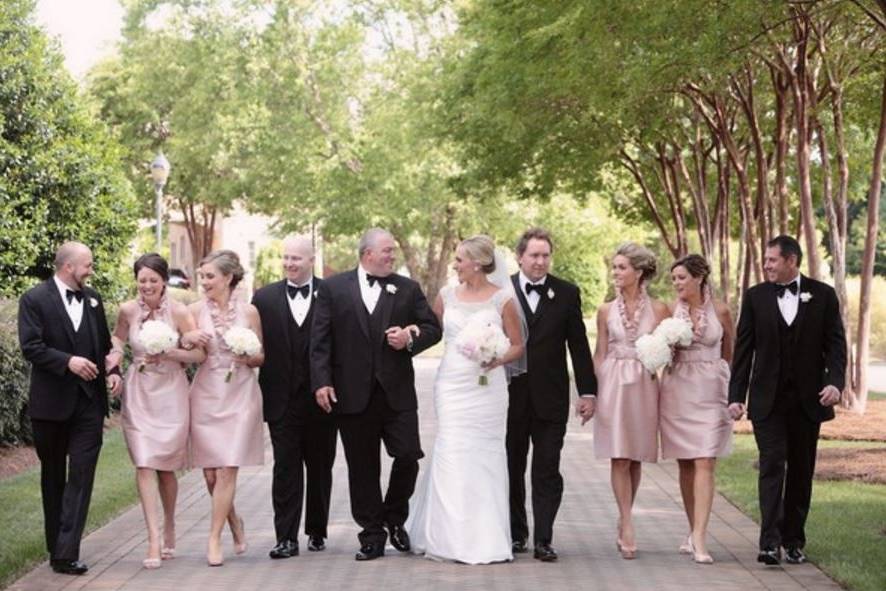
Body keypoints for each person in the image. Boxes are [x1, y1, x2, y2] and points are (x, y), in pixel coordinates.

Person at [311, 228, 441, 561]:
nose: (392, 256)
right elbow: (320, 339)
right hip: (351, 395)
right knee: (362, 468)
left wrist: (409, 339)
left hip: (396, 394)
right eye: (387, 251)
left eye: (393, 251)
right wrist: (321, 382)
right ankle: (371, 535)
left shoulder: (407, 288)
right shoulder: (332, 288)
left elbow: (432, 328)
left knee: (409, 455)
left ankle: (394, 517)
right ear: (367, 253)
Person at [406, 235, 525, 564]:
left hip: (487, 387)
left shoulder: (502, 299)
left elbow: (518, 345)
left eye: (459, 260)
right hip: (452, 385)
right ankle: (447, 538)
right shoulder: (446, 295)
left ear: (477, 262)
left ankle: (485, 537)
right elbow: (431, 330)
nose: (454, 265)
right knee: (452, 451)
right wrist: (408, 337)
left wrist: (497, 357)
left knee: (485, 456)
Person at [728, 235, 846, 566]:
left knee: (801, 471)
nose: (766, 265)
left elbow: (836, 345)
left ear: (791, 260)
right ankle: (769, 543)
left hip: (809, 401)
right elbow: (743, 351)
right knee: (772, 466)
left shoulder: (822, 295)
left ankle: (794, 540)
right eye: (766, 260)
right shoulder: (755, 297)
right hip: (768, 401)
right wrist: (736, 396)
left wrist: (835, 383)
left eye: (772, 260)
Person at [17, 241, 123, 575]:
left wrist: (114, 371)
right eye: (87, 265)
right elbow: (31, 347)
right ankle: (55, 544)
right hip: (50, 406)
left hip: (89, 406)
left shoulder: (93, 300)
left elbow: (105, 345)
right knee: (53, 477)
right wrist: (69, 362)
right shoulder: (34, 300)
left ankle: (65, 552)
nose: (90, 270)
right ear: (68, 267)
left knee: (81, 474)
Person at [107, 254, 204, 569]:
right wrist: (115, 359)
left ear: (164, 281)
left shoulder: (179, 311)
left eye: (152, 280)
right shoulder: (127, 310)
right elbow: (118, 339)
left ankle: (171, 523)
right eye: (142, 279)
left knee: (165, 468)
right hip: (139, 390)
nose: (146, 285)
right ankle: (152, 537)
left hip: (171, 393)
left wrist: (170, 351)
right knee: (145, 464)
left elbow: (200, 354)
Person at [506, 228, 597, 562]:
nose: (540, 262)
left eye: (545, 255)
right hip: (509, 399)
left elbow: (579, 346)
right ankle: (517, 535)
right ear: (520, 256)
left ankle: (544, 538)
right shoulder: (502, 291)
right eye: (534, 255)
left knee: (547, 469)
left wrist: (587, 392)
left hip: (551, 399)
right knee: (511, 467)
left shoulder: (567, 293)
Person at [252, 235, 337, 559]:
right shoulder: (264, 297)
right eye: (286, 258)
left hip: (322, 397)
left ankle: (317, 529)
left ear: (310, 260)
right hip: (281, 398)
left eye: (296, 259)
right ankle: (285, 537)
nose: (289, 263)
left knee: (320, 467)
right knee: (285, 468)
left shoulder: (330, 294)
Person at [185, 250, 265, 566]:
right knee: (209, 475)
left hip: (241, 393)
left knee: (228, 467)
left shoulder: (251, 312)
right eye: (202, 276)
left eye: (209, 276)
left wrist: (247, 355)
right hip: (205, 393)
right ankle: (233, 521)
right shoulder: (191, 310)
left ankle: (213, 538)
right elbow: (189, 351)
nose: (203, 282)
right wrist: (188, 337)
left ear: (228, 278)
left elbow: (261, 357)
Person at [592, 242, 668, 559]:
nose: (616, 273)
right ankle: (627, 523)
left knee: (635, 457)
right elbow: (599, 353)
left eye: (622, 267)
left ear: (638, 272)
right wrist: (595, 391)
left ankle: (624, 517)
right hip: (613, 385)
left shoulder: (662, 309)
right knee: (619, 457)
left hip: (645, 385)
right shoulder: (605, 310)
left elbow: (669, 348)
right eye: (615, 267)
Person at [659, 254, 734, 564]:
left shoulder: (722, 310)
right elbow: (657, 349)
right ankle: (692, 530)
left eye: (681, 277)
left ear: (699, 277)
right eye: (674, 278)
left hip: (712, 389)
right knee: (687, 464)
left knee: (705, 460)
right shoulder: (668, 311)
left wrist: (733, 390)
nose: (676, 283)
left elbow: (732, 352)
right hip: (678, 389)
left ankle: (701, 536)